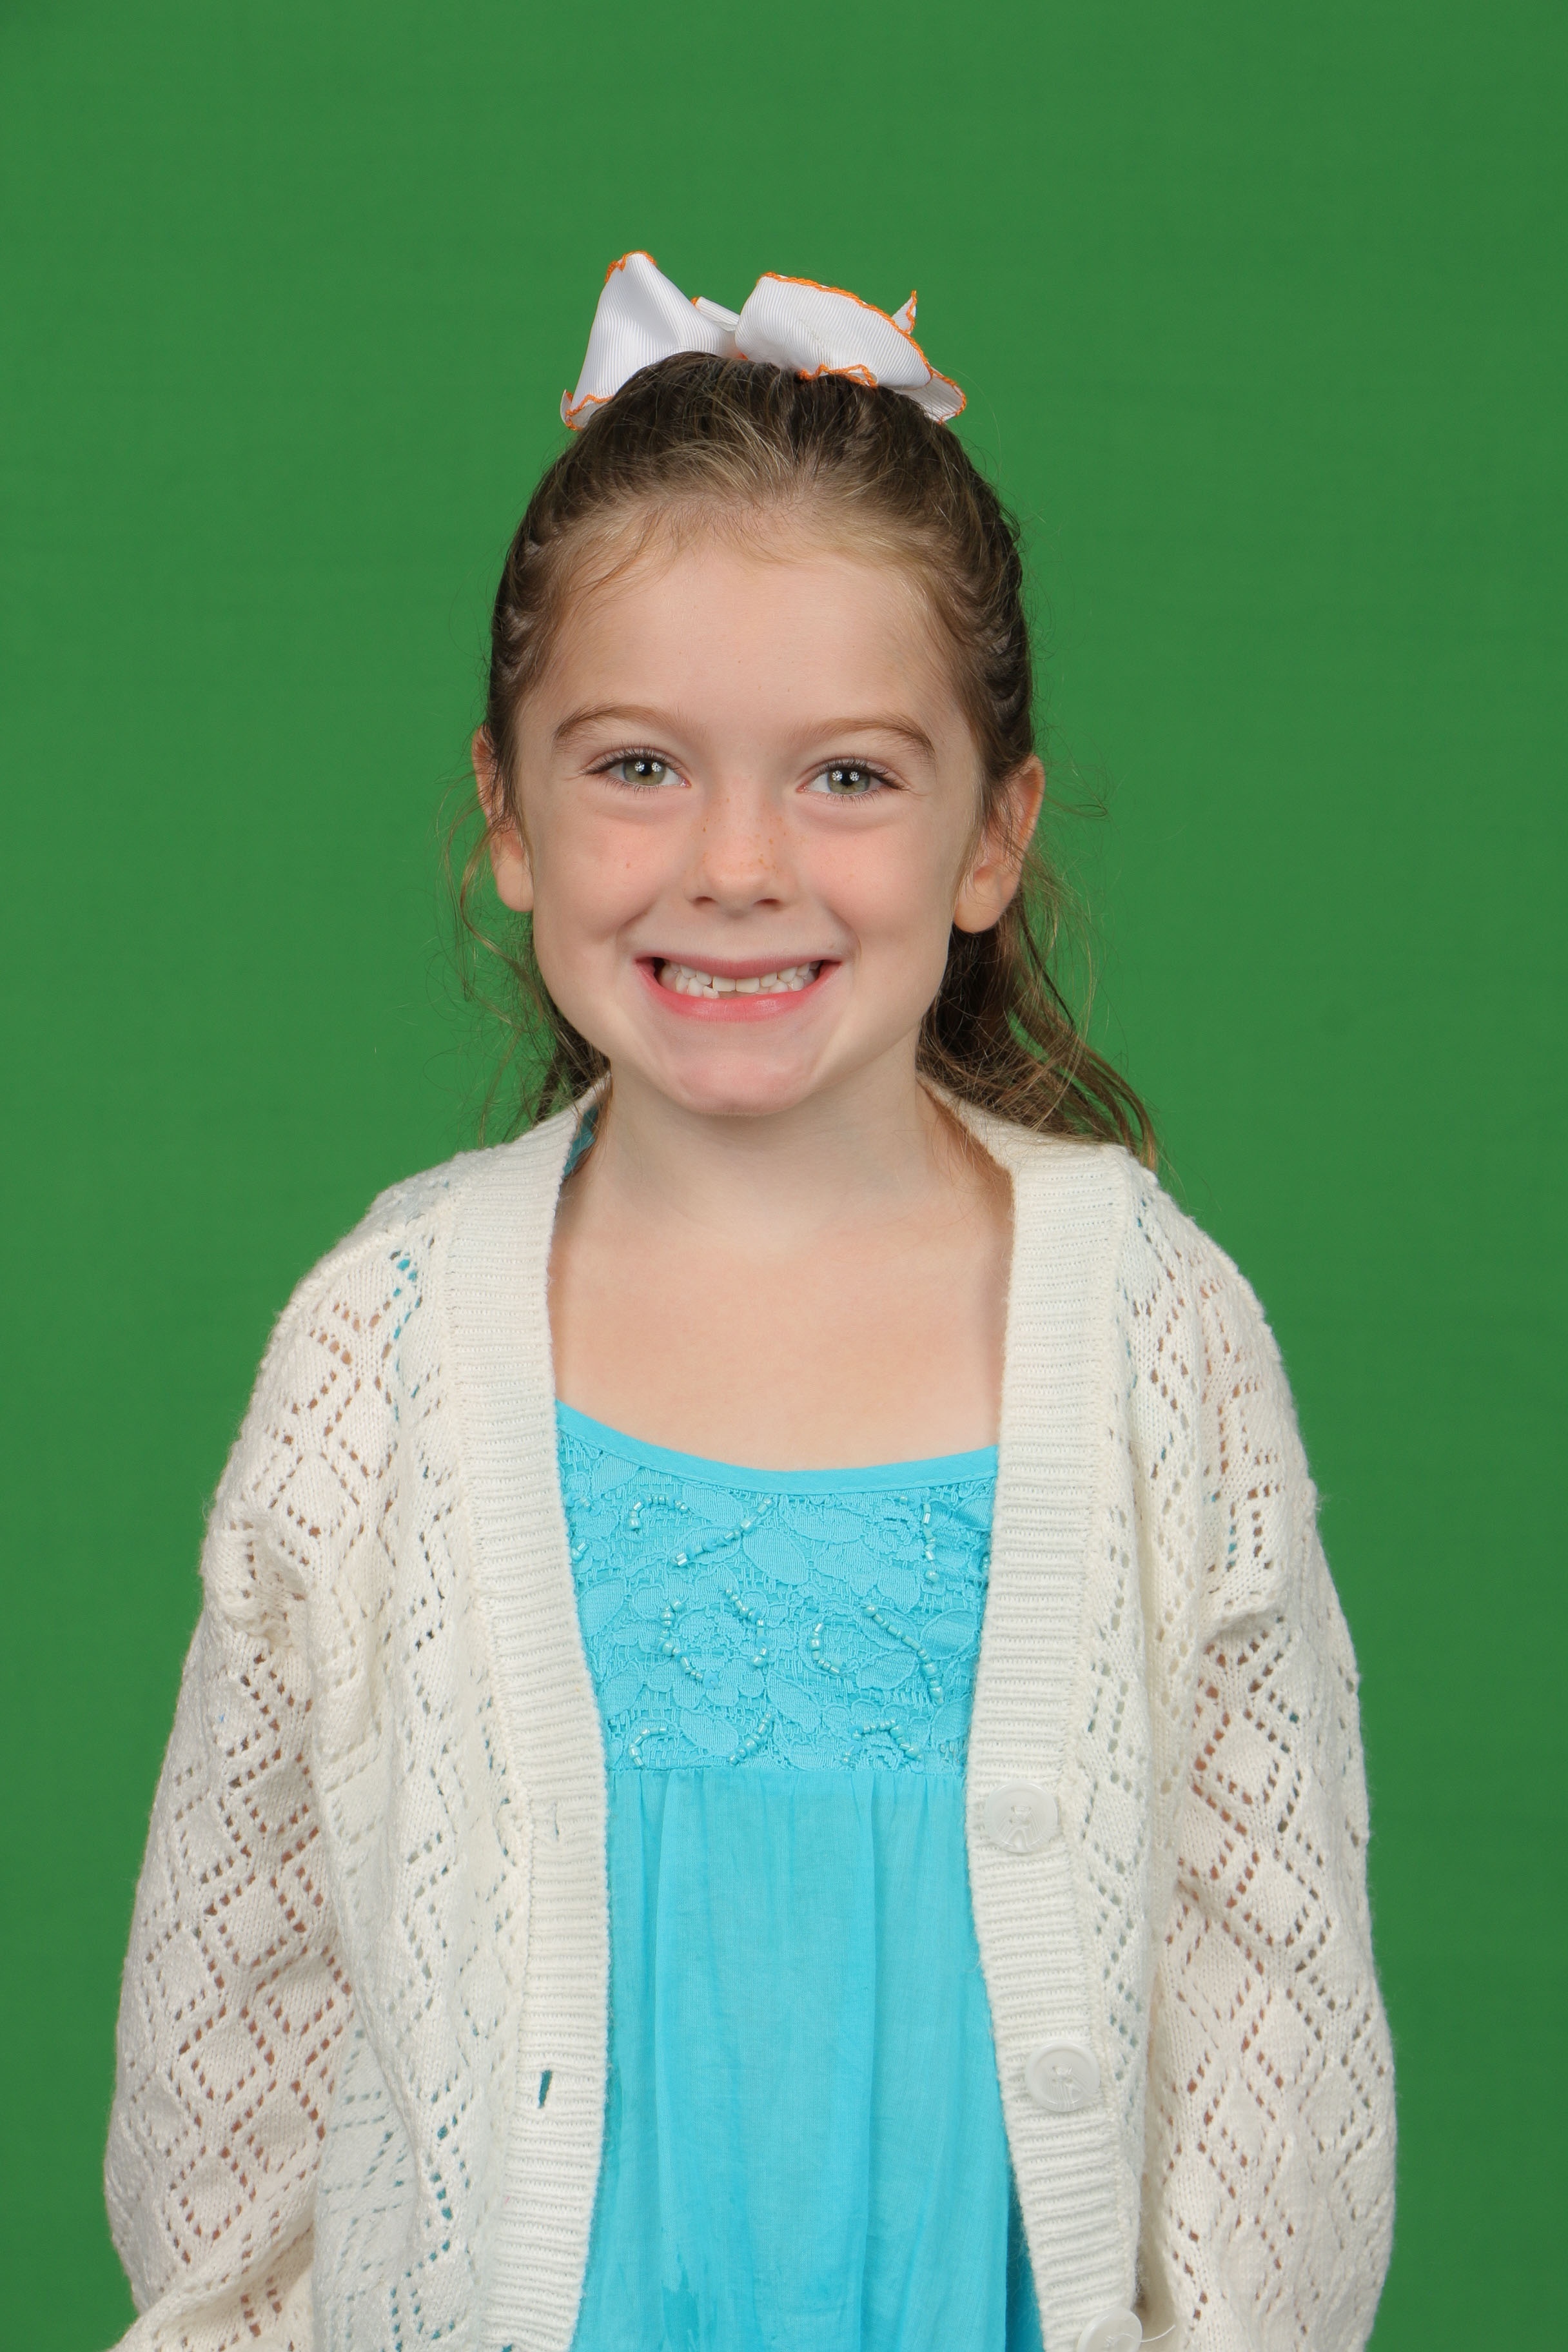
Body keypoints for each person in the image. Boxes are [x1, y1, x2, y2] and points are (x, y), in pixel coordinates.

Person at [103, 255, 1395, 2352]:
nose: (734, 864)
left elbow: (1270, 2020)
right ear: (507, 815)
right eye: (637, 766)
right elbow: (236, 2046)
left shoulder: (1157, 1337)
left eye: (848, 777)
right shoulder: (380, 1352)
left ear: (995, 835)